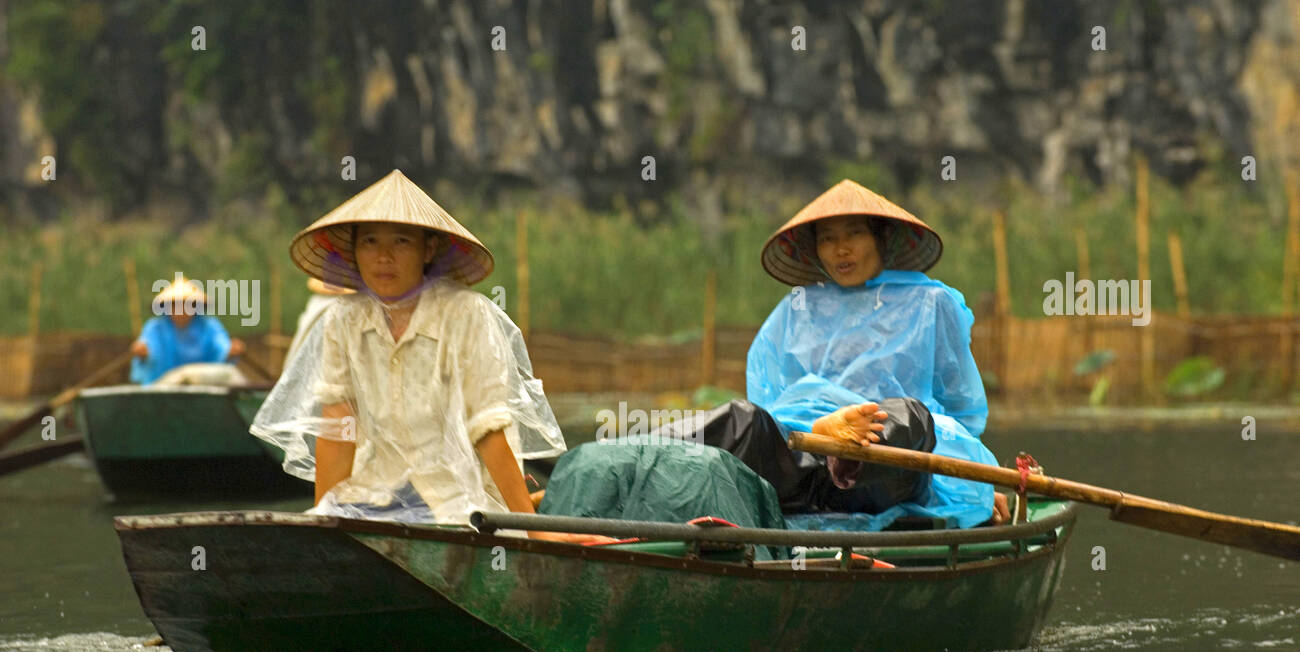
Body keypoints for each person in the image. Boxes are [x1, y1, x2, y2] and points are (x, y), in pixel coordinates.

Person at [251, 169, 611, 544]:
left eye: (401, 241)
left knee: (501, 528)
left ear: (428, 249)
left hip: (456, 501)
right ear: (354, 251)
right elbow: (339, 431)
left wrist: (533, 530)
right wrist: (322, 521)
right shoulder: (344, 319)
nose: (384, 256)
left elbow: (489, 429)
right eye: (370, 241)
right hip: (374, 494)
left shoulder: (467, 315)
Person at [662, 179, 1009, 529]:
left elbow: (961, 412)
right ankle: (636, 455)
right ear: (815, 248)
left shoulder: (930, 303)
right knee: (746, 420)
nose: (841, 249)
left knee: (911, 417)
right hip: (800, 466)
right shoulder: (798, 307)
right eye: (827, 238)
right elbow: (770, 400)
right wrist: (812, 434)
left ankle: (843, 457)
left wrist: (971, 484)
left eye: (853, 233)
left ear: (881, 237)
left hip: (886, 476)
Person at [129, 275, 246, 385]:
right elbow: (149, 350)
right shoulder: (155, 328)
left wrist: (230, 351)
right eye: (175, 305)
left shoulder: (209, 326)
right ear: (167, 307)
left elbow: (221, 347)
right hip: (163, 386)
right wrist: (143, 353)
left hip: (204, 387)